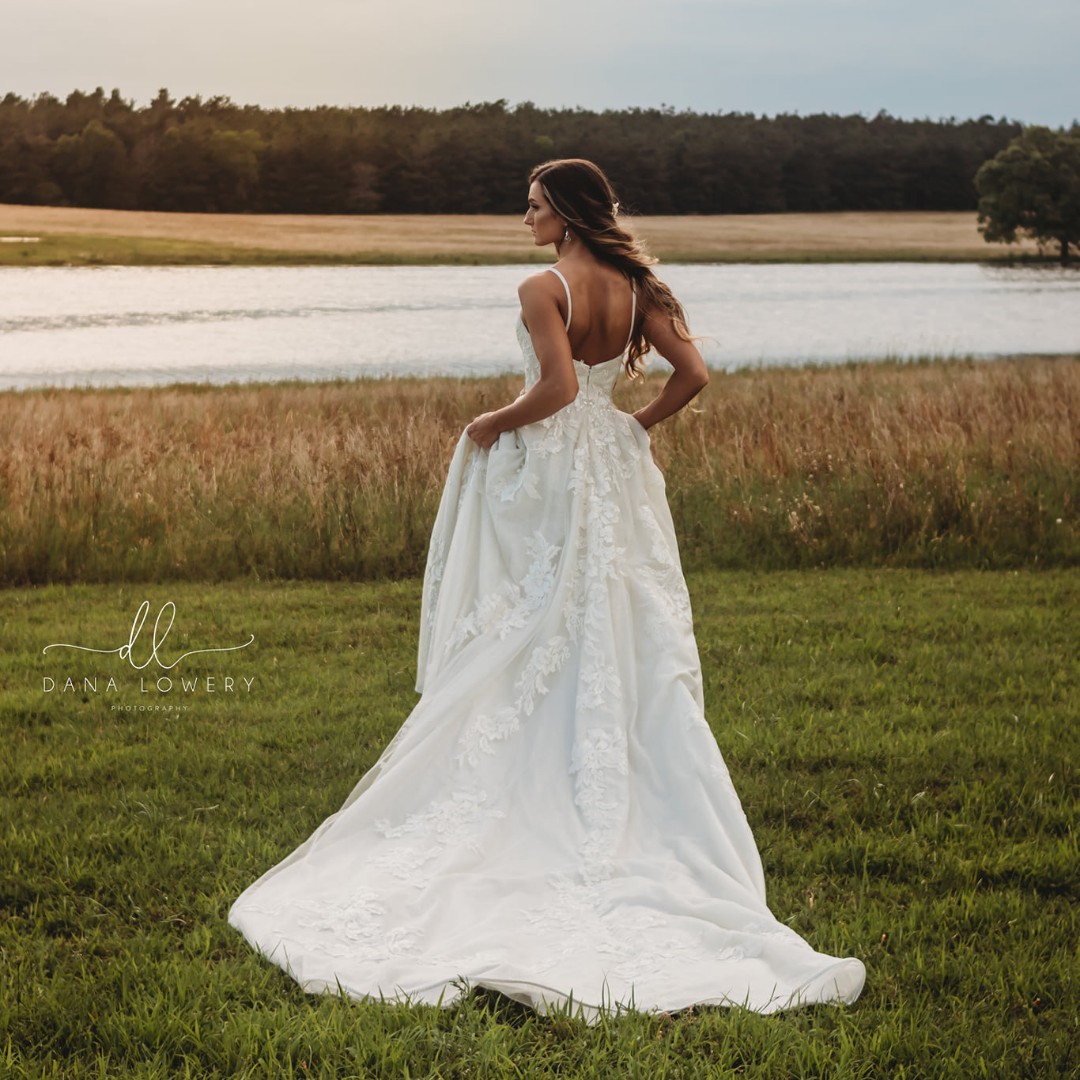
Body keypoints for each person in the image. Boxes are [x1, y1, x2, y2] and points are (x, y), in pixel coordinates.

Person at [228, 159, 866, 1020]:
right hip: (613, 464)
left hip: (558, 469)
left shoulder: (543, 286)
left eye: (531, 206)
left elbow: (558, 388)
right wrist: (631, 427)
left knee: (536, 612)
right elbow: (695, 378)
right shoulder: (642, 286)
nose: (521, 217)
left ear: (564, 213)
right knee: (612, 616)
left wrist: (493, 421)